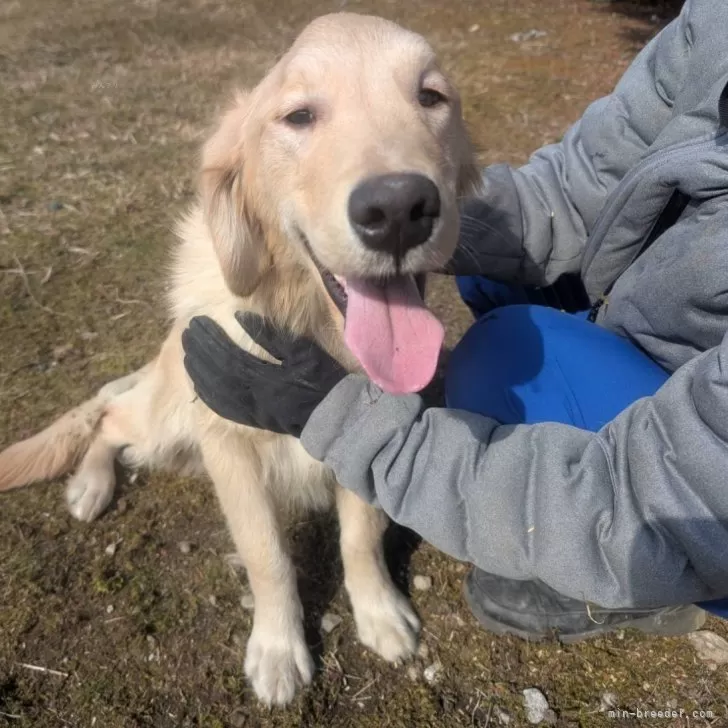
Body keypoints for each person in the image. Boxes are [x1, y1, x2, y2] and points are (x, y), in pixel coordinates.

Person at [182, 0, 728, 642]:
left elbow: (693, 486)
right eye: (301, 116)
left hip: (705, 482)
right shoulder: (714, 20)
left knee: (498, 355)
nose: (394, 192)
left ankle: (656, 586)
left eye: (428, 98)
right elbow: (583, 177)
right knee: (486, 266)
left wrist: (353, 426)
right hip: (663, 318)